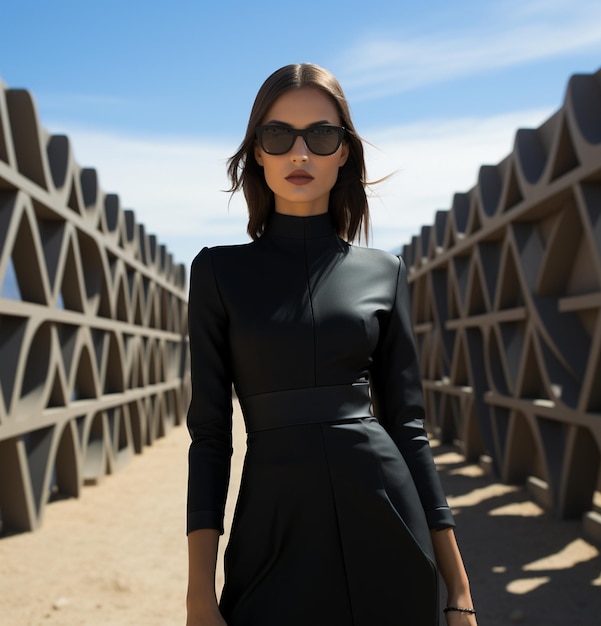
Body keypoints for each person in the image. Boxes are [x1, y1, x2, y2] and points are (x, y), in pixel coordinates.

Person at [186, 63, 478, 626]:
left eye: (321, 136)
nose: (300, 154)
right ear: (257, 152)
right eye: (279, 135)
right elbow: (210, 435)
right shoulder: (218, 273)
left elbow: (409, 430)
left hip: (388, 516)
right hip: (273, 527)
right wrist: (200, 591)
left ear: (344, 152)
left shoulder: (385, 270)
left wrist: (460, 590)